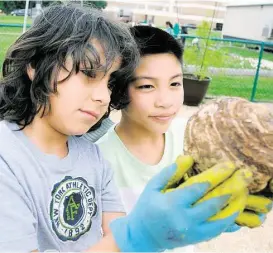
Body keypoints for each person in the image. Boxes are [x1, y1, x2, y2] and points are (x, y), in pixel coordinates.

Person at [0, 4, 263, 253]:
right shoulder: (7, 158)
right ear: (35, 65)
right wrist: (139, 235)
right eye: (90, 74)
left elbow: (116, 235)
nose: (103, 96)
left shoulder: (92, 157)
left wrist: (192, 219)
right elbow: (128, 237)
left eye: (111, 83)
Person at [92, 25, 272, 237]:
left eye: (175, 83)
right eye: (147, 86)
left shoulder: (196, 137)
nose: (166, 101)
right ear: (118, 89)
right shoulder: (97, 163)